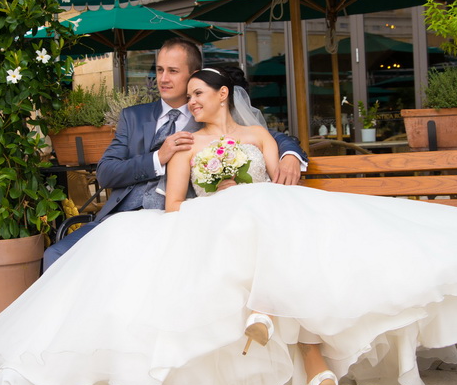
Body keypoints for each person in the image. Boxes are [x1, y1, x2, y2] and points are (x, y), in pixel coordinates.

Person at [0, 67, 457, 385]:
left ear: (223, 96)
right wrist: (224, 194)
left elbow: (286, 165)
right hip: (213, 220)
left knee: (265, 211)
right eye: (187, 99)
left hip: (270, 216)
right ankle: (299, 348)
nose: (189, 104)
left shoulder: (262, 139)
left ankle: (286, 331)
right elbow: (175, 206)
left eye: (197, 95)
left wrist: (288, 163)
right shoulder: (185, 144)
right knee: (242, 212)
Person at [43, 37, 306, 269]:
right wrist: (158, 158)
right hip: (123, 217)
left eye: (172, 71)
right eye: (159, 70)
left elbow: (271, 138)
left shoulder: (210, 115)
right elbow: (106, 172)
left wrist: (290, 155)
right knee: (56, 254)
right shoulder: (133, 117)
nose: (163, 78)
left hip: (179, 222)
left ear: (194, 74)